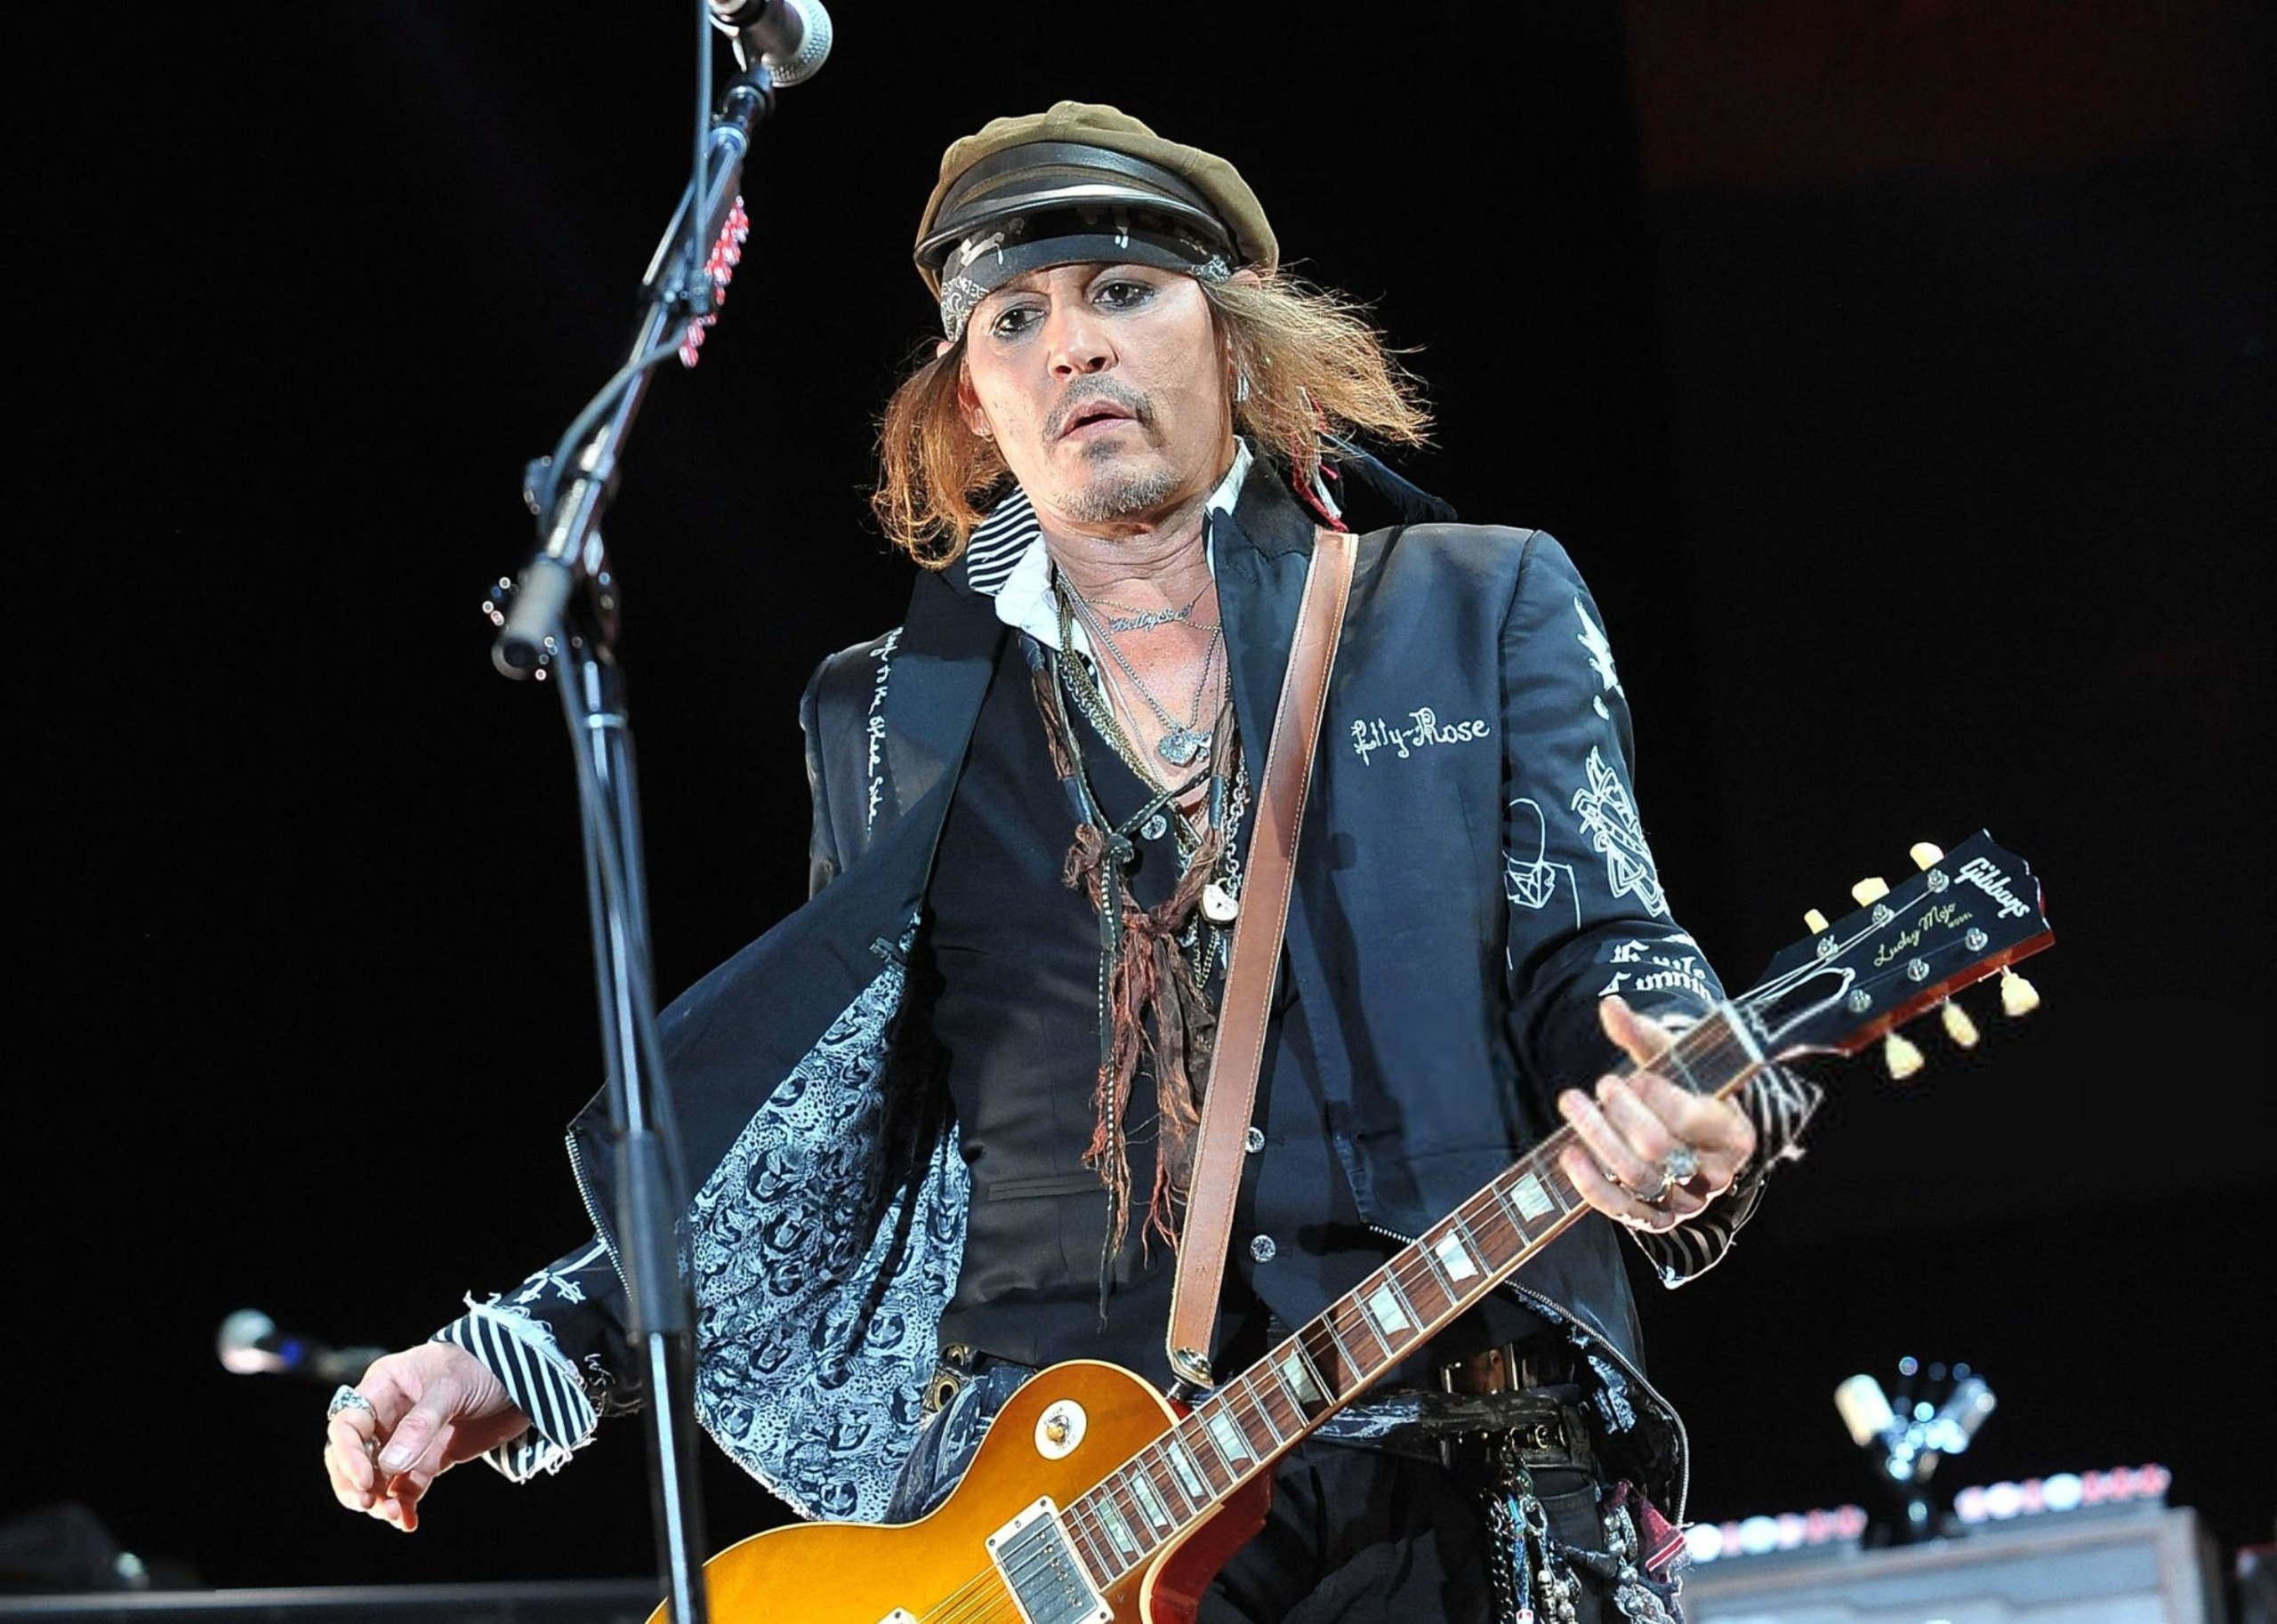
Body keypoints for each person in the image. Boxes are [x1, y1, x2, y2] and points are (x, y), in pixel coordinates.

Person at [324, 101, 1822, 1623]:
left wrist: (1687, 1094)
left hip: (1444, 1477)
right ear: (973, 402)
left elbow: (1605, 949)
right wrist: (526, 1351)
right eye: (1014, 318)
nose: (1073, 345)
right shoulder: (887, 713)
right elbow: (812, 1135)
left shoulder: (1471, 604)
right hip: (1051, 1536)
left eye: (1123, 290)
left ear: (1236, 335)